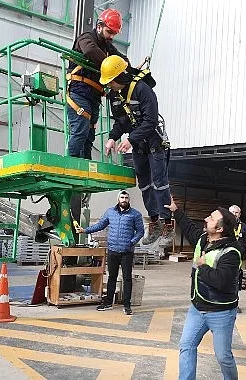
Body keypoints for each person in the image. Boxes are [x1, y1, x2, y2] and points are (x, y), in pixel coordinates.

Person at [100, 55, 174, 247]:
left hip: (154, 144)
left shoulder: (143, 90)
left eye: (110, 82)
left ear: (119, 77)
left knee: (160, 184)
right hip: (139, 146)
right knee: (145, 185)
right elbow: (121, 121)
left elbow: (150, 121)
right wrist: (112, 138)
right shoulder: (114, 96)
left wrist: (131, 139)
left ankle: (168, 223)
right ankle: (155, 222)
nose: (109, 86)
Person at [165, 197, 240, 380]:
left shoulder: (231, 252)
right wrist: (176, 210)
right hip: (198, 308)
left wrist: (203, 265)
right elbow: (189, 227)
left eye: (212, 218)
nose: (206, 219)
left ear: (220, 229)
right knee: (186, 346)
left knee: (223, 357)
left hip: (221, 311)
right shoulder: (203, 239)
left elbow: (221, 281)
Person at [67, 8, 125, 160]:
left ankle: (85, 164)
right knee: (80, 131)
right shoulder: (86, 38)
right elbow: (90, 50)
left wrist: (129, 68)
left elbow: (121, 59)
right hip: (79, 92)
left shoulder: (107, 46)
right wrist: (110, 65)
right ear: (99, 26)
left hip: (94, 96)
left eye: (114, 33)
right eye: (109, 31)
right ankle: (72, 164)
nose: (111, 36)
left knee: (89, 135)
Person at [76, 190, 144, 315]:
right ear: (118, 199)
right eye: (122, 197)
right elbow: (100, 225)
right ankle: (108, 303)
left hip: (126, 252)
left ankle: (127, 305)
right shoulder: (110, 212)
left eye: (126, 197)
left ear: (129, 200)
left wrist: (131, 242)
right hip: (113, 250)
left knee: (127, 278)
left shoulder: (135, 214)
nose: (124, 199)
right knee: (111, 277)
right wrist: (85, 230)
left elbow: (140, 232)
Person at [229, 205, 246, 313]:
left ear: (239, 214)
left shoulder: (243, 227)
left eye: (236, 213)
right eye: (232, 212)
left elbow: (244, 243)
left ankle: (235, 304)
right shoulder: (222, 224)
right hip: (223, 258)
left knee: (235, 283)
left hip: (236, 259)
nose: (234, 214)